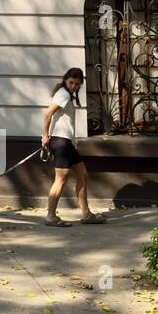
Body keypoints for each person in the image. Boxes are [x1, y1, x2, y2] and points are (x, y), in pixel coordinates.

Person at [40, 67, 106, 226]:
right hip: (61, 142)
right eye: (71, 82)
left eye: (77, 84)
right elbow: (48, 114)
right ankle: (50, 216)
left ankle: (86, 214)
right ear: (65, 80)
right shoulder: (63, 93)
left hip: (67, 142)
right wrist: (45, 135)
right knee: (60, 181)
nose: (73, 86)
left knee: (82, 175)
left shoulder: (66, 94)